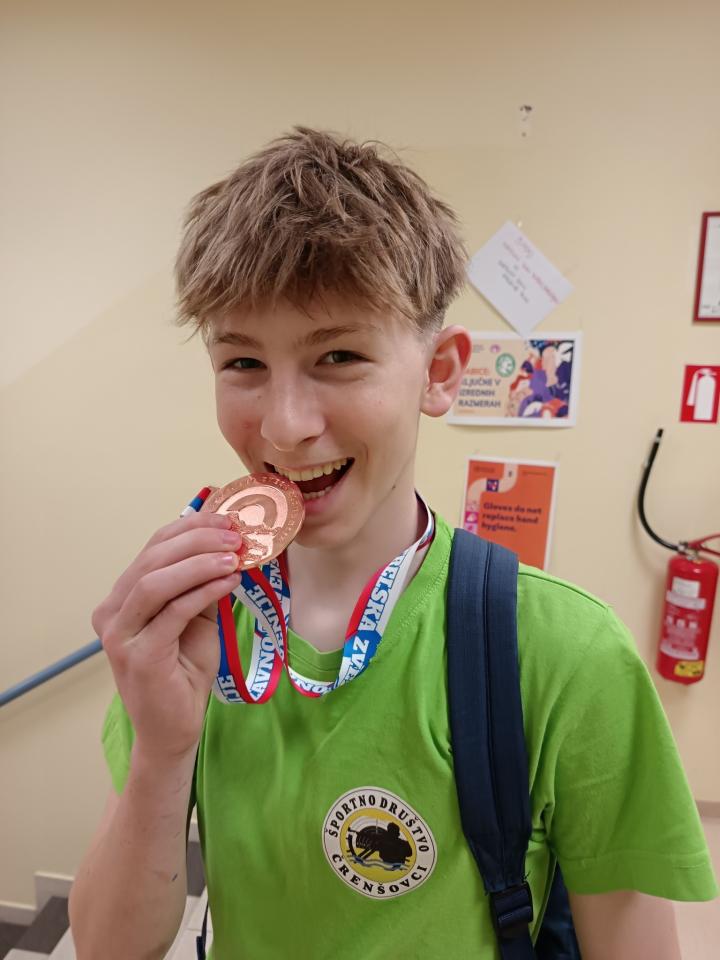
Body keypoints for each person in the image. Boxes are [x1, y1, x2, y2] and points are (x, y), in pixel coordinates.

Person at [69, 127, 717, 959]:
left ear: (440, 373)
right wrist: (162, 751)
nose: (284, 426)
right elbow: (108, 948)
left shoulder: (565, 653)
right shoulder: (196, 630)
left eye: (338, 355)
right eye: (242, 364)